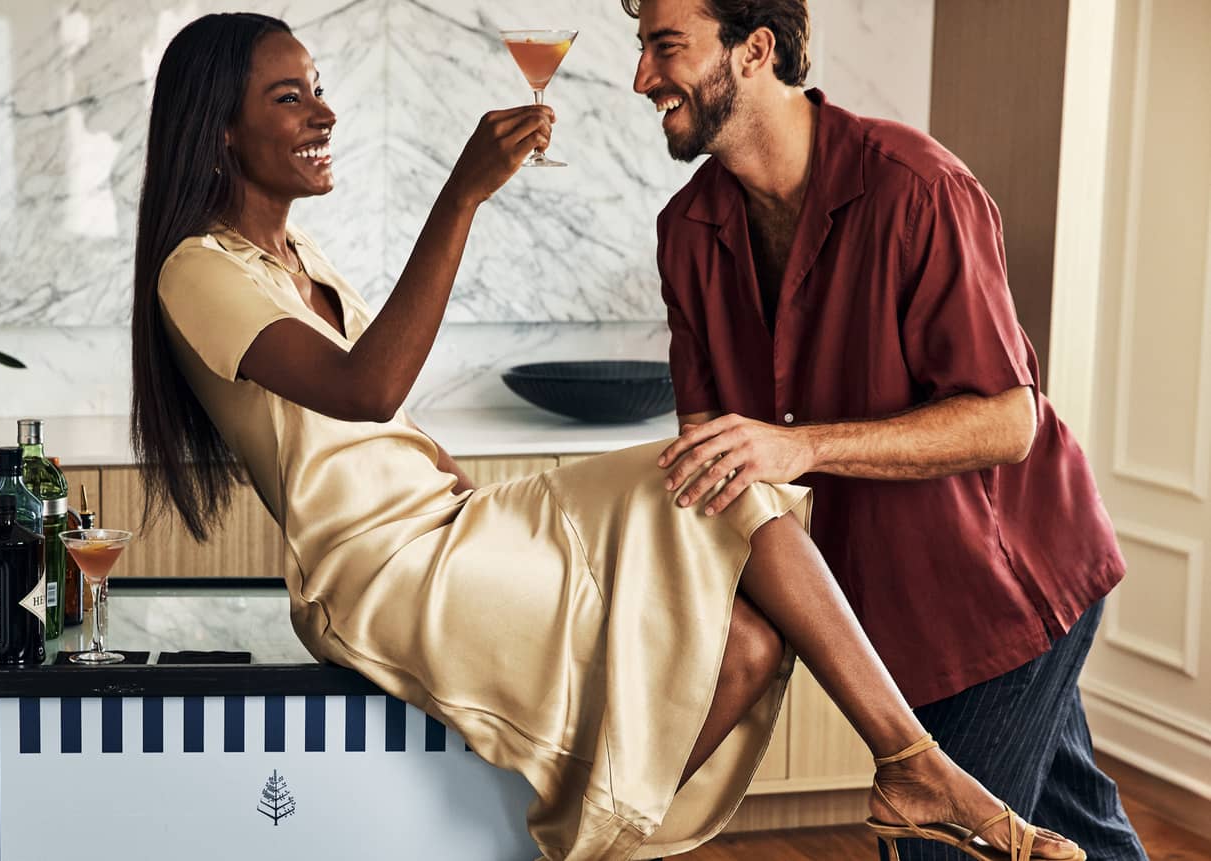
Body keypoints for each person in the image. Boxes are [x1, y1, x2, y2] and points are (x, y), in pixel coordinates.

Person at [129, 12, 1083, 861]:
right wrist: (462, 195)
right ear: (218, 128)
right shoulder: (196, 271)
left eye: (321, 90)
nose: (323, 114)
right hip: (377, 570)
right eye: (290, 97)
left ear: (754, 51)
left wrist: (465, 488)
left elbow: (382, 432)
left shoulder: (303, 258)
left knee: (747, 632)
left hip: (452, 518)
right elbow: (367, 388)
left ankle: (618, 831)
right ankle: (898, 767)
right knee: (728, 474)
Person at [627, 0, 1145, 859]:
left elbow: (1009, 419)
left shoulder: (919, 188)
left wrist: (806, 444)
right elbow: (713, 458)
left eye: (665, 47)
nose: (642, 77)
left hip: (1005, 589)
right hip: (885, 612)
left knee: (939, 846)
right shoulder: (685, 234)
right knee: (1075, 827)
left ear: (755, 50)